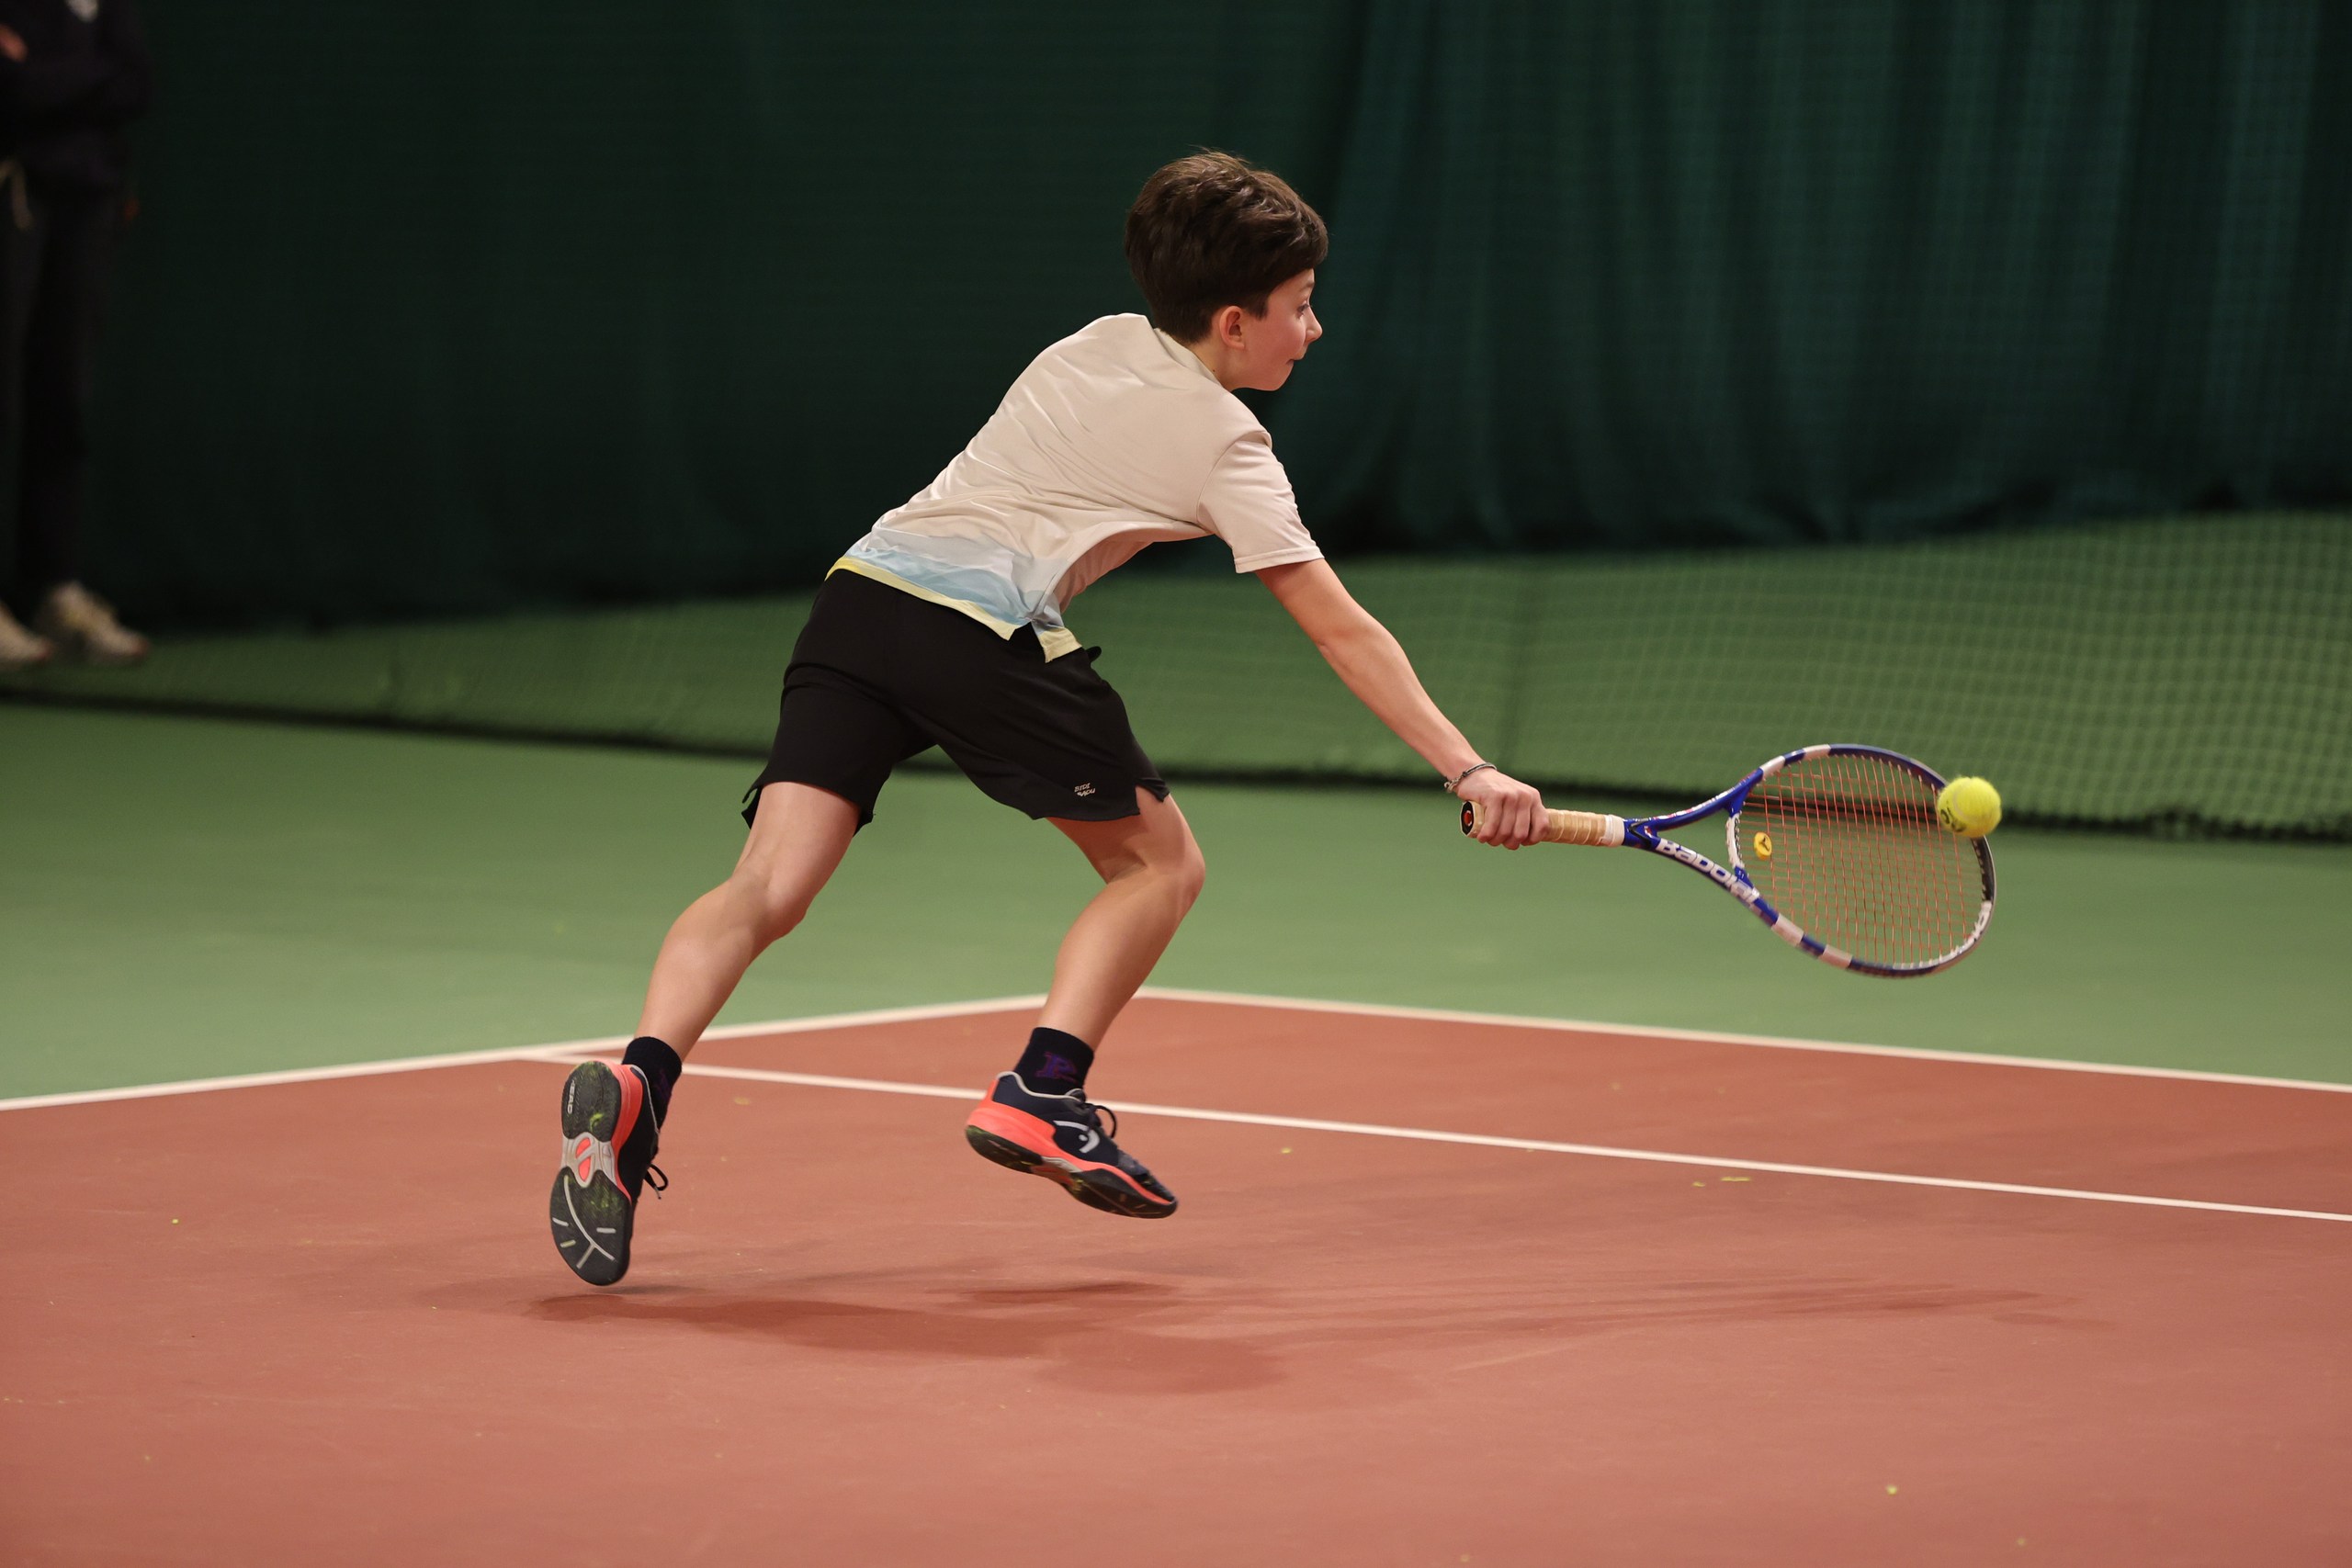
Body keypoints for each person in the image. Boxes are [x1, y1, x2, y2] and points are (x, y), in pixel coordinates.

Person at [548, 152, 1549, 1287]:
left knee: (765, 886)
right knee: (1158, 867)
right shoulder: (1229, 446)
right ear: (1233, 322)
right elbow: (1342, 631)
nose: (1313, 331)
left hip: (857, 601)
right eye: (1300, 306)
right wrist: (1468, 769)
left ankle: (639, 1081)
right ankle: (1046, 1089)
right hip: (977, 629)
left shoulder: (1094, 340)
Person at [0, 0, 151, 670]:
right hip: (13, 191)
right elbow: (9, 89)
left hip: (91, 199)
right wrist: (88, 77)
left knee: (63, 400)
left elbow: (135, 82)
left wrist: (44, 76)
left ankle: (54, 592)